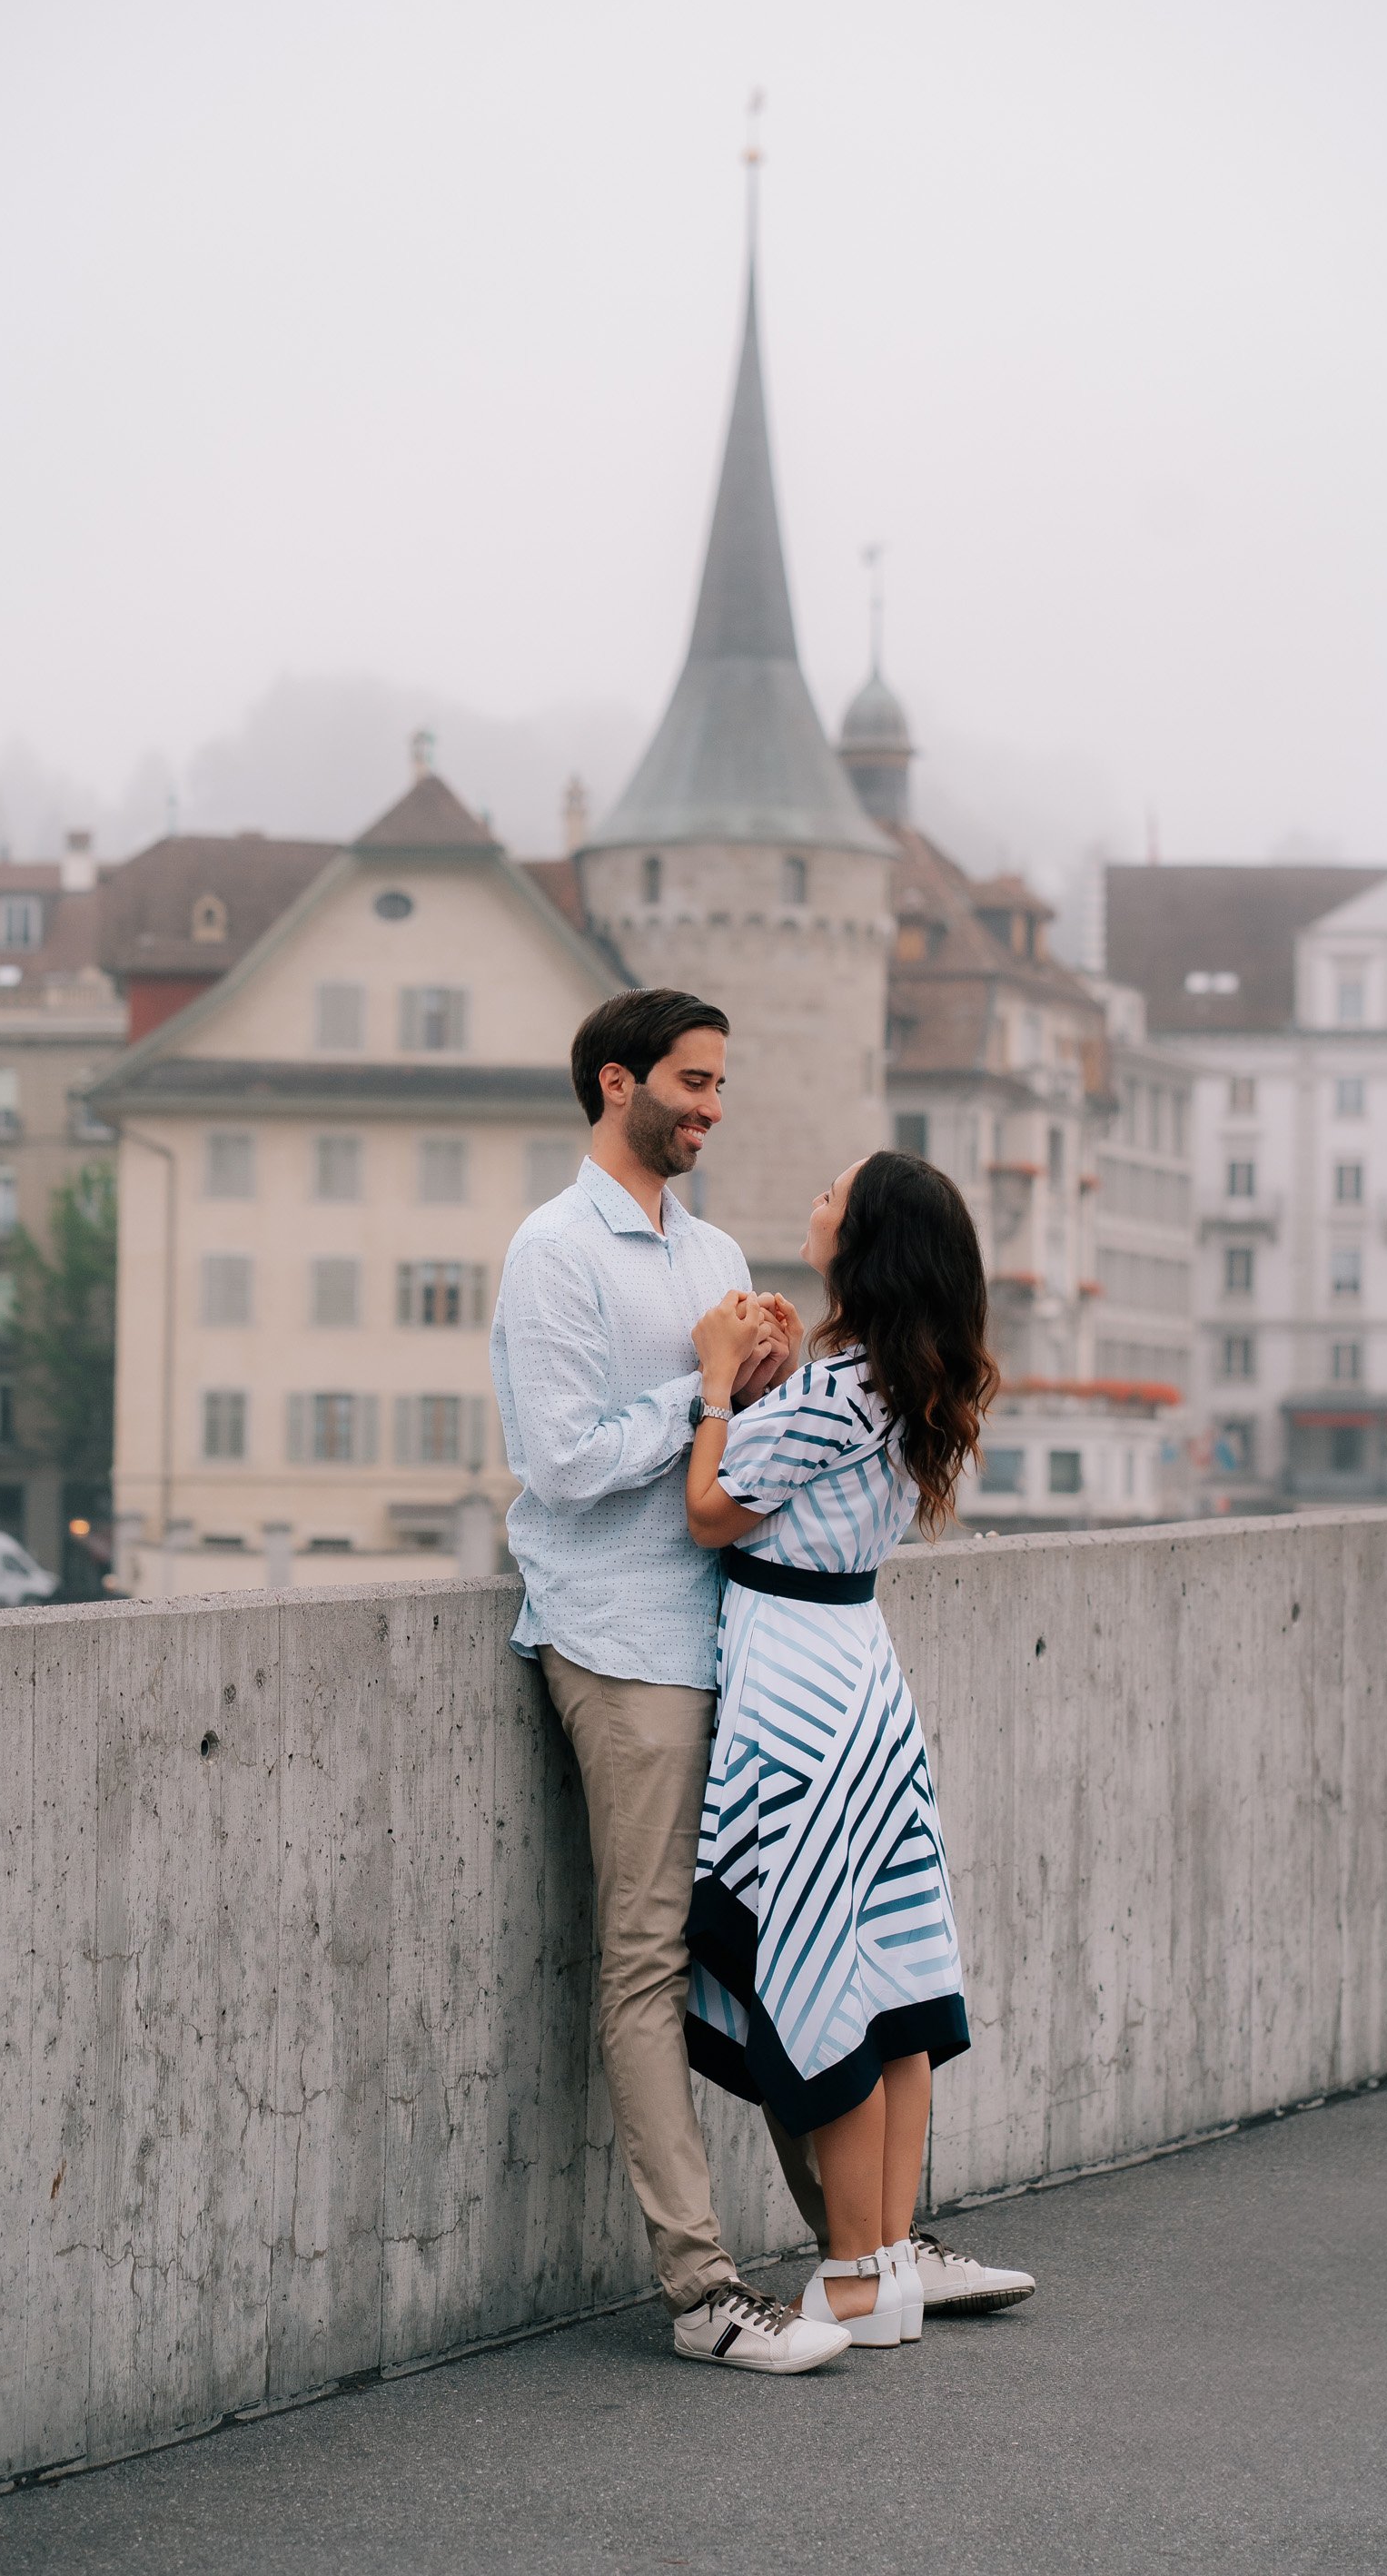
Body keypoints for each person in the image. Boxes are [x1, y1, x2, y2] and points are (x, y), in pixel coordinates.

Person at [490, 987, 853, 2374]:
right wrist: (707, 1386)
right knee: (648, 1959)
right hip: (621, 1643)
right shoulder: (552, 1251)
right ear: (615, 1082)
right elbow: (566, 1465)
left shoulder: (710, 1246)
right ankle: (705, 2294)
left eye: (720, 1088)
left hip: (729, 1635)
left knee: (772, 1947)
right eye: (692, 1084)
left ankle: (859, 2255)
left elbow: (734, 1456)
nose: (710, 1107)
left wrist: (761, 1382)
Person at [683, 1151, 1037, 2344]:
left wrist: (720, 1380)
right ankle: (879, 2258)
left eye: (832, 1191)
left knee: (824, 1965)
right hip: (859, 1668)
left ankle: (850, 2272)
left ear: (867, 1236)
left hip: (793, 1670)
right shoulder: (895, 1378)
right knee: (888, 1971)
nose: (816, 1200)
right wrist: (781, 1375)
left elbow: (711, 1508)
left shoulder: (845, 1387)